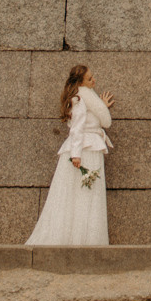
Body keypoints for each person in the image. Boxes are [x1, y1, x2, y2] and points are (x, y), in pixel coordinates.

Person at [25, 63, 114, 246]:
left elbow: (92, 120)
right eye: (90, 78)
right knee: (84, 196)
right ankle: (84, 240)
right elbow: (77, 128)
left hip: (88, 147)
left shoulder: (86, 97)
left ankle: (84, 239)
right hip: (85, 149)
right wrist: (76, 155)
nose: (94, 80)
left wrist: (102, 107)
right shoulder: (81, 98)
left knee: (83, 195)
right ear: (80, 82)